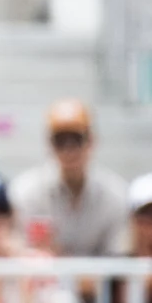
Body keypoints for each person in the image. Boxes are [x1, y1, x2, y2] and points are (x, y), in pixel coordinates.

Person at [22, 96, 124, 261]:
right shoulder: (28, 192)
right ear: (50, 145)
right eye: (60, 141)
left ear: (91, 141)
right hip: (44, 283)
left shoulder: (114, 194)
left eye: (76, 139)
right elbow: (25, 255)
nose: (68, 150)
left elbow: (117, 259)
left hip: (99, 285)